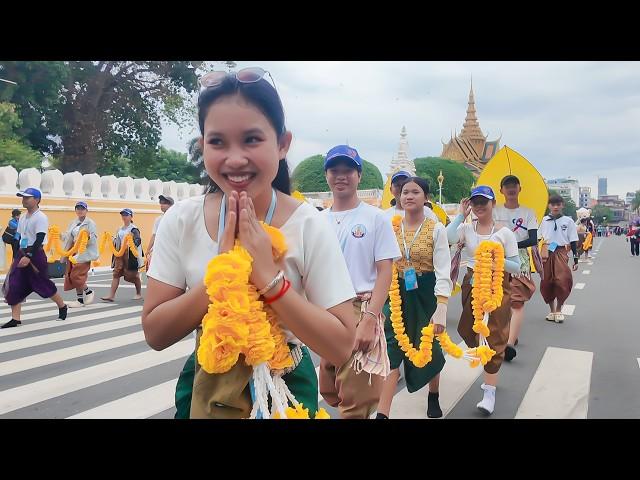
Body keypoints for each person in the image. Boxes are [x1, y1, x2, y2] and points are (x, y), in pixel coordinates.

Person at [142, 66, 357, 419]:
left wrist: (269, 279)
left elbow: (341, 344)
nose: (235, 158)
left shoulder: (308, 225)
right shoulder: (181, 220)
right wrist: (223, 271)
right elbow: (156, 332)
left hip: (284, 386)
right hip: (206, 383)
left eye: (252, 139)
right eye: (218, 142)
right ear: (202, 146)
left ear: (283, 143)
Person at [319, 145, 400, 419]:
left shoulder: (375, 218)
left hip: (360, 306)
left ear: (359, 176)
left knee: (358, 399)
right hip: (326, 310)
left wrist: (369, 318)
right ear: (327, 176)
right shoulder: (316, 221)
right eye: (334, 171)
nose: (341, 176)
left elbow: (385, 271)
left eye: (348, 171)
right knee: (330, 389)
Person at [377, 177, 452, 419]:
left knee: (428, 345)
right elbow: (382, 264)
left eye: (415, 192)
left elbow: (443, 269)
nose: (408, 196)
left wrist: (441, 306)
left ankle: (433, 394)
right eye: (405, 192)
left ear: (426, 198)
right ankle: (382, 413)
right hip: (396, 292)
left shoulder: (436, 228)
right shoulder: (391, 227)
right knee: (391, 348)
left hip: (425, 291)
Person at [446, 186, 521, 415]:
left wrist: (494, 258)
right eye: (475, 202)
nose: (479, 206)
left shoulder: (504, 233)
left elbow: (517, 267)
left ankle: (489, 391)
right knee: (468, 330)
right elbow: (447, 238)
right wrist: (461, 213)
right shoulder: (467, 228)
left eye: (483, 202)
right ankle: (488, 364)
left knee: (495, 335)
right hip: (471, 283)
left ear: (493, 203)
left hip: (496, 285)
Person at [1, 188, 68, 328]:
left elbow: (40, 238)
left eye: (27, 198)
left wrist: (29, 256)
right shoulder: (23, 217)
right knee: (14, 283)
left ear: (37, 200)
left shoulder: (41, 217)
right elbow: (20, 237)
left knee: (42, 284)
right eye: (23, 198)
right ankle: (15, 318)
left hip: (35, 254)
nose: (24, 200)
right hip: (22, 252)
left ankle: (62, 306)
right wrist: (18, 255)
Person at [493, 175, 538, 362]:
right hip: (497, 258)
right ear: (501, 190)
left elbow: (533, 239)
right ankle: (508, 331)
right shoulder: (494, 211)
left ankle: (509, 344)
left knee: (517, 301)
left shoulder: (528, 213)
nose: (511, 189)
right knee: (501, 300)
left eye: (514, 185)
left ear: (520, 189)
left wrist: (512, 245)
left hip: (519, 259)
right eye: (507, 186)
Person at [537, 194, 579, 323]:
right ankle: (552, 310)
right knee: (547, 281)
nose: (555, 207)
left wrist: (575, 259)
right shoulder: (543, 220)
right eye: (553, 204)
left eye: (558, 204)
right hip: (546, 252)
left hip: (561, 251)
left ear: (562, 206)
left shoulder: (568, 221)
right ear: (549, 205)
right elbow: (538, 238)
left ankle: (560, 308)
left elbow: (573, 240)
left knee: (562, 280)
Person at [101, 208, 143, 302]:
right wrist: (112, 240)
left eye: (126, 215)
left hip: (130, 255)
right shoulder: (119, 229)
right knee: (116, 274)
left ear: (131, 216)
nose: (124, 217)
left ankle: (138, 293)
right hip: (120, 254)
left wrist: (133, 243)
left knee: (132, 276)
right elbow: (118, 240)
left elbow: (138, 239)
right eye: (123, 215)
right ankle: (111, 295)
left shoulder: (134, 229)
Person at [62, 201, 99, 307]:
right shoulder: (73, 222)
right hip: (73, 251)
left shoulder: (90, 223)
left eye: (82, 208)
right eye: (78, 208)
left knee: (76, 276)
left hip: (84, 252)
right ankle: (80, 300)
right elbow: (68, 236)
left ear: (86, 210)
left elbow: (93, 237)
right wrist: (58, 235)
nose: (80, 210)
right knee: (73, 275)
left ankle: (88, 292)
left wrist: (85, 238)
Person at [146, 195, 174, 270]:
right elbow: (154, 235)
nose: (161, 205)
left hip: (172, 251)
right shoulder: (158, 219)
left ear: (171, 205)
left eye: (164, 203)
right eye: (160, 202)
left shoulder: (176, 218)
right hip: (159, 251)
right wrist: (148, 250)